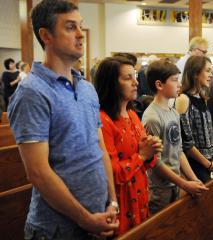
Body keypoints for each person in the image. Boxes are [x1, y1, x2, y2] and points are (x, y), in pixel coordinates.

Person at [7, 1, 119, 239]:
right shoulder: (32, 92)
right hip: (56, 229)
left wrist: (112, 202)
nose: (81, 34)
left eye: (80, 26)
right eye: (70, 27)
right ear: (46, 35)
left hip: (99, 218)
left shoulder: (87, 88)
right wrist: (85, 218)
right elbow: (38, 172)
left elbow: (100, 151)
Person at [94, 56, 163, 235]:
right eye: (127, 78)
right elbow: (111, 171)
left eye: (135, 77)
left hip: (139, 193)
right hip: (121, 200)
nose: (135, 83)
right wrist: (141, 155)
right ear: (111, 84)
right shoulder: (103, 120)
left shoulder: (132, 114)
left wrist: (152, 148)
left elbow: (147, 159)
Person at [142, 59, 208, 214]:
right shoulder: (152, 118)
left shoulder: (173, 112)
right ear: (159, 85)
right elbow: (154, 161)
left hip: (175, 184)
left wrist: (193, 179)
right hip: (159, 189)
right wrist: (184, 184)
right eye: (174, 80)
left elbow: (178, 151)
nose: (179, 84)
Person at [175, 56, 213, 183]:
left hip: (209, 161)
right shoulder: (183, 99)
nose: (211, 75)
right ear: (195, 73)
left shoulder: (202, 97)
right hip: (194, 163)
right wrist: (209, 164)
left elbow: (210, 134)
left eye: (211, 70)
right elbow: (186, 143)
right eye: (207, 71)